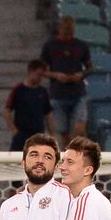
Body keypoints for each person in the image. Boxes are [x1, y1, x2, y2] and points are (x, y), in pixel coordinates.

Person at [40, 17, 91, 147]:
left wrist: (81, 75)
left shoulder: (81, 46)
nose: (67, 36)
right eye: (65, 33)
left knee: (79, 129)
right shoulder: (49, 46)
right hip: (58, 94)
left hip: (78, 93)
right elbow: (41, 70)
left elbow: (89, 67)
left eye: (70, 33)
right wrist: (55, 75)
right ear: (59, 30)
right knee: (63, 133)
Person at [4, 60, 55, 154]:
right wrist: (14, 130)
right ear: (31, 71)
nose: (40, 78)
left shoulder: (42, 92)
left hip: (38, 134)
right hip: (21, 134)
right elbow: (7, 111)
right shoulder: (18, 90)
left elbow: (48, 114)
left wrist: (52, 134)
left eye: (42, 75)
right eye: (38, 74)